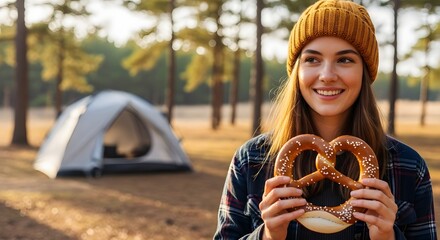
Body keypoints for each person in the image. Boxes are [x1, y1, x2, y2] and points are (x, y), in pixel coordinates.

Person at [213, 0, 437, 239]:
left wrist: (387, 237)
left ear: (365, 71)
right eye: (312, 59)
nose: (327, 75)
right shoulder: (251, 160)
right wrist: (268, 235)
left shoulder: (408, 166)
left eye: (345, 60)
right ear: (297, 70)